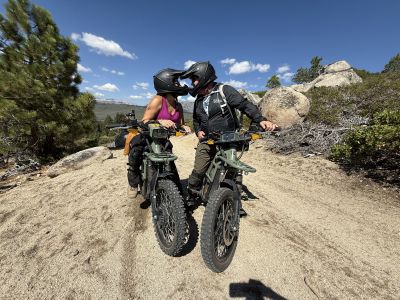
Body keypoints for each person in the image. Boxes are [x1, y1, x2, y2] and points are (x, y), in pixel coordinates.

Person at [180, 61, 278, 193]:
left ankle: (234, 201)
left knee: (232, 171)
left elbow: (244, 105)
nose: (193, 83)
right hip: (207, 141)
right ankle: (192, 193)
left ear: (203, 76)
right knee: (199, 170)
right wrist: (198, 131)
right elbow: (196, 120)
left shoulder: (224, 90)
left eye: (194, 79)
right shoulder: (199, 99)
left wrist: (260, 119)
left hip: (228, 139)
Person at [127, 68, 191, 198]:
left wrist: (185, 127)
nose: (178, 84)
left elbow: (180, 124)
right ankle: (133, 182)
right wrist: (160, 121)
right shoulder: (158, 100)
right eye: (175, 81)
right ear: (167, 83)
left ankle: (176, 194)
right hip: (147, 137)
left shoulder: (179, 106)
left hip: (162, 139)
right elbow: (144, 120)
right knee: (136, 152)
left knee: (171, 165)